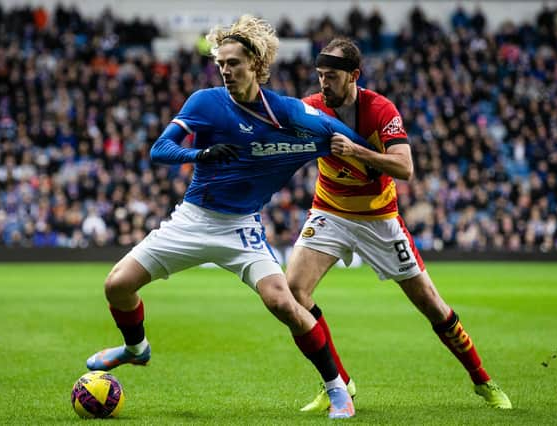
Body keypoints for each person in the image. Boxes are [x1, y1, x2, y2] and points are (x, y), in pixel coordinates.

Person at [85, 16, 367, 419]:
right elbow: (159, 149)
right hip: (193, 219)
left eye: (234, 63)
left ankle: (337, 389)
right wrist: (198, 154)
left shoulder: (288, 112)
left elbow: (342, 134)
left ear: (255, 63)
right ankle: (136, 349)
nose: (226, 71)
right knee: (116, 286)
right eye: (221, 64)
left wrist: (369, 156)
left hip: (240, 227)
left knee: (283, 303)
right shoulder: (205, 102)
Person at [286, 37, 512, 412]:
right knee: (293, 290)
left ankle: (483, 379)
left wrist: (356, 150)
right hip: (330, 210)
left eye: (332, 77)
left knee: (431, 304)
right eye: (320, 75)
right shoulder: (312, 107)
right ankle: (339, 384)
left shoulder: (380, 109)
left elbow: (405, 167)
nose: (324, 84)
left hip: (379, 218)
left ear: (354, 75)